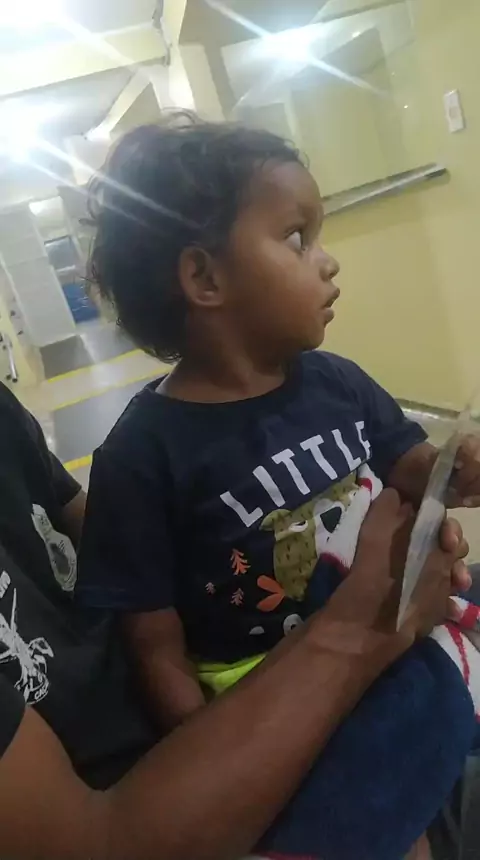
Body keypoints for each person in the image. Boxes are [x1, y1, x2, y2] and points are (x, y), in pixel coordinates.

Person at [0, 380, 472, 860]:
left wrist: (447, 474)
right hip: (226, 759)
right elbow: (152, 637)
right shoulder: (139, 454)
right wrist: (368, 623)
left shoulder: (334, 382)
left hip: (351, 666)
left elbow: (405, 460)